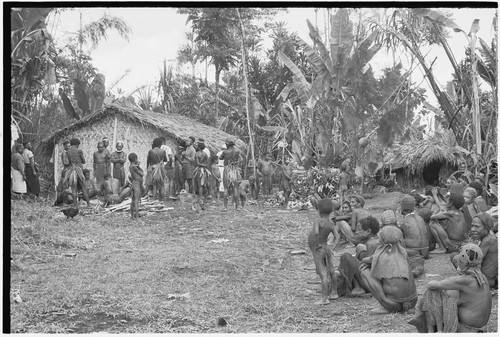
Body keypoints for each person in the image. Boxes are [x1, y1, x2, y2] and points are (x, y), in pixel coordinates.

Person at [409, 243, 492, 332]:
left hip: (467, 330)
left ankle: (433, 331)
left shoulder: (466, 280)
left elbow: (432, 285)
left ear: (462, 261)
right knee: (448, 296)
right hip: (480, 329)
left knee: (433, 293)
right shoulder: (481, 277)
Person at [359, 225, 418, 314]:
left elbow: (365, 260)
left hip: (394, 304)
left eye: (380, 238)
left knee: (363, 270)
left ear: (383, 240)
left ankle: (384, 305)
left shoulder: (381, 255)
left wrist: (367, 262)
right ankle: (407, 308)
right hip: (413, 301)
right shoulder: (403, 251)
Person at [337, 216, 381, 296]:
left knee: (346, 257)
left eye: (359, 230)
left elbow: (367, 267)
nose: (357, 232)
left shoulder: (370, 244)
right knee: (360, 248)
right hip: (378, 282)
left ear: (368, 231)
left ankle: (358, 287)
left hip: (370, 284)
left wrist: (352, 263)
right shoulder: (378, 240)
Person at [308, 199, 340, 305]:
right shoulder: (331, 223)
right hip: (326, 247)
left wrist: (317, 245)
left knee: (322, 274)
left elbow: (316, 233)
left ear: (318, 210)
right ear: (331, 211)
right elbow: (337, 237)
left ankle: (324, 299)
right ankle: (334, 292)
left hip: (318, 250)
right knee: (331, 270)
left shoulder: (318, 221)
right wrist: (332, 248)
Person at [469, 213, 498, 288]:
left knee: (456, 258)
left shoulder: (488, 240)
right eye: (472, 226)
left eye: (477, 227)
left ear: (486, 228)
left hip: (486, 280)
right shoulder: (488, 237)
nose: (472, 229)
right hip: (486, 279)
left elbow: (472, 261)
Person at [398, 195, 430, 259]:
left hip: (414, 252)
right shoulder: (420, 218)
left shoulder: (404, 222)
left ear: (402, 209)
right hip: (426, 251)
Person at [65, 138, 90, 207]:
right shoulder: (79, 150)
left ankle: (75, 205)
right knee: (83, 187)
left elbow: (69, 162)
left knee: (73, 189)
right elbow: (83, 161)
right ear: (77, 144)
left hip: (72, 171)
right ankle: (89, 204)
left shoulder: (67, 152)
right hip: (79, 171)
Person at [219, 137, 242, 210]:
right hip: (234, 170)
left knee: (226, 189)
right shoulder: (237, 151)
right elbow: (239, 159)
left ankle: (225, 207)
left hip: (227, 170)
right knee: (235, 188)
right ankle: (237, 207)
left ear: (227, 144)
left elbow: (221, 158)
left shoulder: (225, 152)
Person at [193, 141, 210, 210]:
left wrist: (201, 165)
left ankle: (200, 200)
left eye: (197, 146)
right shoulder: (205, 154)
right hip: (204, 170)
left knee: (199, 185)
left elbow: (197, 163)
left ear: (199, 147)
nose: (196, 147)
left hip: (199, 170)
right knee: (202, 185)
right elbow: (207, 163)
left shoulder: (197, 154)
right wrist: (205, 166)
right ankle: (201, 199)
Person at [128, 153, 144, 219]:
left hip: (135, 184)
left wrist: (138, 165)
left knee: (133, 200)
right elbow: (142, 173)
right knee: (136, 201)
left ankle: (132, 216)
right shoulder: (134, 167)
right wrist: (138, 166)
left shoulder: (132, 166)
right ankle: (137, 217)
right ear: (135, 159)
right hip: (136, 184)